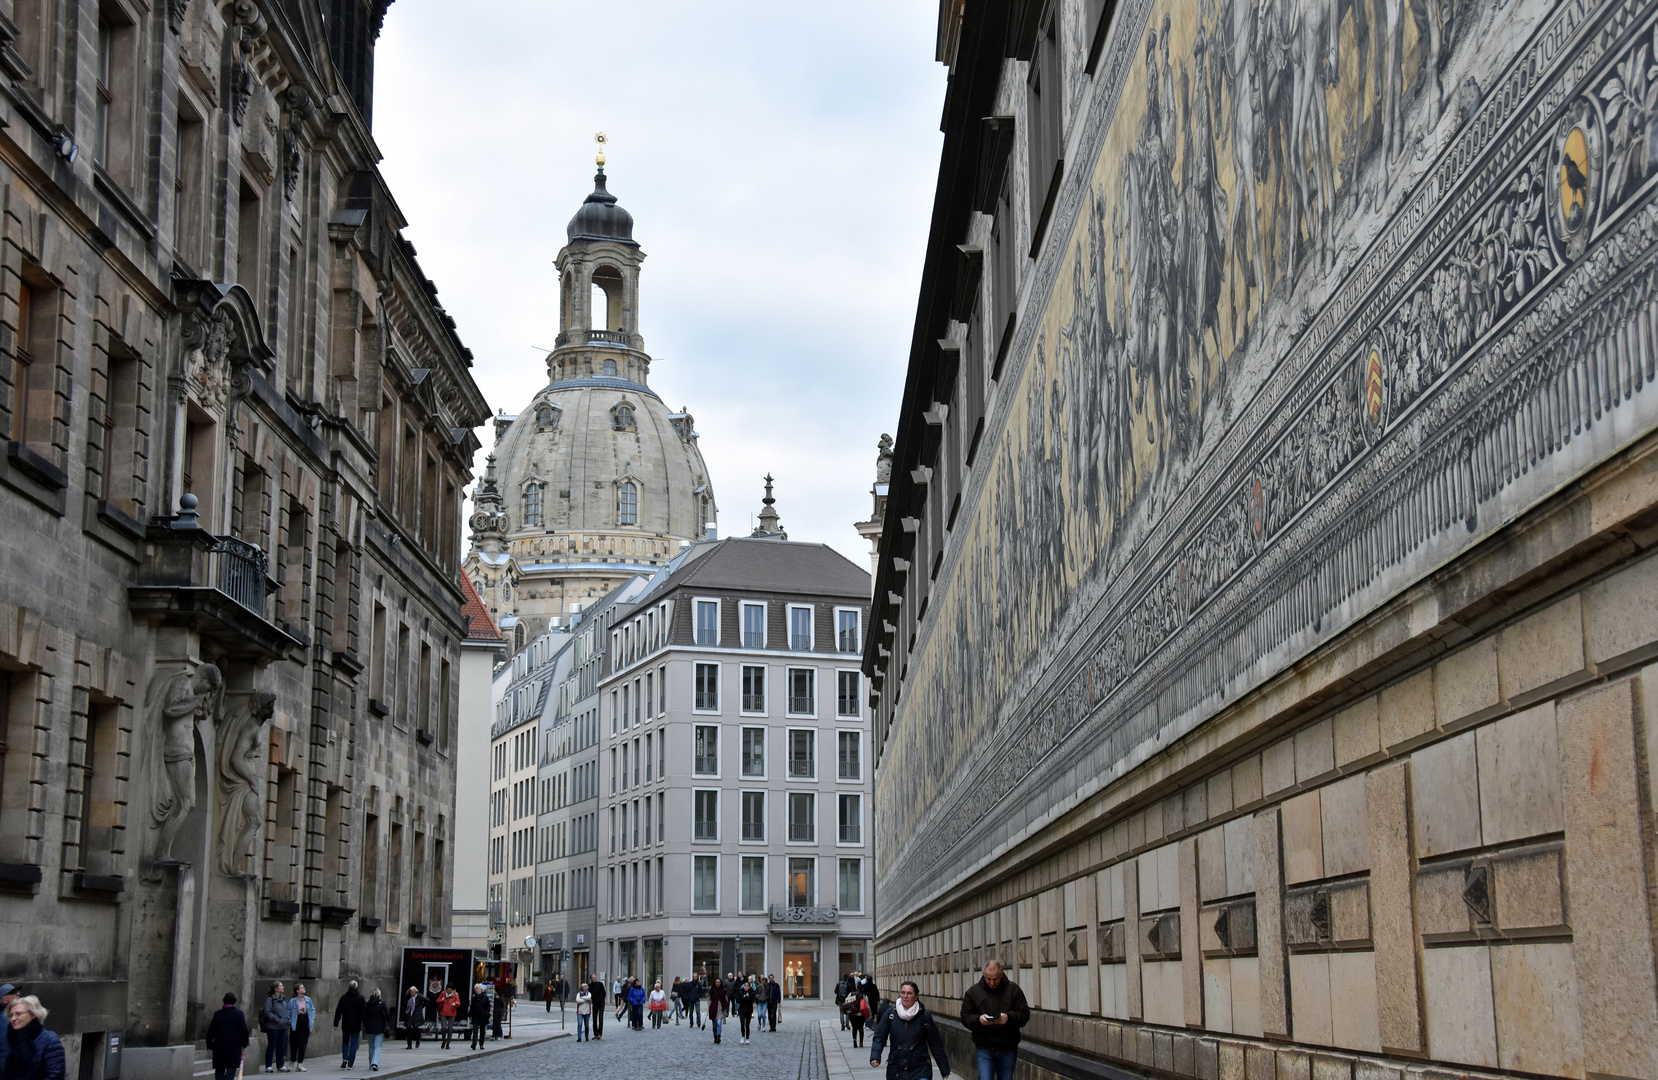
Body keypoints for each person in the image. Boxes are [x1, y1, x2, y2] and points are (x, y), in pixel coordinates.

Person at [959, 961, 1030, 1080]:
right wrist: (978, 1020)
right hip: (984, 1046)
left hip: (1008, 1046)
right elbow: (965, 1017)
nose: (992, 983)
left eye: (995, 979)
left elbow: (1024, 1014)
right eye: (988, 979)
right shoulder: (973, 992)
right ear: (983, 974)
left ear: (1002, 974)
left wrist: (1008, 1018)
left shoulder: (1013, 990)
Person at [870, 981, 950, 1080]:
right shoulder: (891, 1014)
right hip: (896, 1069)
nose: (905, 996)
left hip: (920, 1068)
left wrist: (944, 1068)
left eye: (909, 993)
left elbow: (935, 1043)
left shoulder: (924, 1016)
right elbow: (879, 1036)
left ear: (916, 996)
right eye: (903, 993)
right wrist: (875, 1056)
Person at [203, 993, 249, 1080]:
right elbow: (244, 1030)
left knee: (219, 1068)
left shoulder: (217, 1014)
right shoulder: (239, 1014)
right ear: (234, 1002)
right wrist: (244, 1044)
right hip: (234, 1045)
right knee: (231, 1068)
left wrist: (210, 1044)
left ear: (224, 1002)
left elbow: (211, 1031)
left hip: (219, 1045)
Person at [332, 981, 365, 1070]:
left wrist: (336, 1023)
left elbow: (338, 1011)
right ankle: (350, 1063)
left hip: (346, 1023)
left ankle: (345, 1058)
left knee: (345, 1042)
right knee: (354, 1044)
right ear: (356, 987)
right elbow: (364, 1012)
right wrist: (364, 1022)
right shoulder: (361, 998)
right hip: (356, 1024)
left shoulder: (344, 998)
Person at [258, 981, 288, 1073]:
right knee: (271, 1045)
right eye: (281, 986)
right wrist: (276, 1019)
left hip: (283, 1026)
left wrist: (287, 1018)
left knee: (281, 1045)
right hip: (273, 1026)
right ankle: (269, 1065)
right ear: (276, 989)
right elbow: (267, 1012)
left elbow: (287, 1009)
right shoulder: (270, 999)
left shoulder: (283, 998)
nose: (283, 987)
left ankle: (280, 1064)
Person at [287, 984, 315, 1071]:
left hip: (305, 1021)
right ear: (297, 991)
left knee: (303, 1044)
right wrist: (290, 1022)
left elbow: (312, 1010)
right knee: (294, 1044)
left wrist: (312, 1021)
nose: (304, 988)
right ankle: (292, 1060)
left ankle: (300, 1063)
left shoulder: (308, 999)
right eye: (301, 988)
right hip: (296, 1022)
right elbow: (288, 1012)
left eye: (303, 987)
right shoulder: (292, 1001)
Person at [360, 989, 389, 1072]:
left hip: (369, 1028)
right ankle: (375, 1063)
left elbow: (363, 1017)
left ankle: (371, 1064)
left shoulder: (367, 1005)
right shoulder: (382, 1004)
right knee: (378, 1046)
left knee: (371, 1046)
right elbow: (387, 1015)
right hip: (380, 1028)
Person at [843, 985, 871, 1049]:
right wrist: (869, 1015)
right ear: (862, 989)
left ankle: (854, 1040)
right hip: (860, 1014)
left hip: (852, 1014)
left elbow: (846, 1003)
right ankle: (861, 1043)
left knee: (854, 1028)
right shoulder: (864, 995)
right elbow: (867, 1006)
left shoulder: (851, 994)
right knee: (861, 1028)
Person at [435, 985, 460, 1051]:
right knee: (443, 1028)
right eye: (448, 988)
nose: (449, 990)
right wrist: (441, 1000)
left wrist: (455, 1003)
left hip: (452, 1013)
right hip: (443, 1013)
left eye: (450, 988)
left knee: (450, 1028)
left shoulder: (455, 994)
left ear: (452, 989)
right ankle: (444, 1040)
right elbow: (437, 1001)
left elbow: (458, 1002)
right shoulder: (443, 993)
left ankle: (448, 1043)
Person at [467, 985, 490, 1050]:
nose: (476, 989)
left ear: (481, 989)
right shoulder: (474, 998)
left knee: (482, 1032)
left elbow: (488, 1007)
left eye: (477, 988)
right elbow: (472, 1007)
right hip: (476, 1016)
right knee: (475, 1031)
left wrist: (486, 1013)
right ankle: (474, 1044)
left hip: (483, 1016)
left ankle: (481, 1044)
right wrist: (469, 1015)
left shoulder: (485, 997)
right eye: (475, 988)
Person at [733, 977, 754, 1044]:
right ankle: (742, 1036)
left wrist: (746, 998)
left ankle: (747, 1038)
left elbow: (752, 1000)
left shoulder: (752, 992)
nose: (746, 986)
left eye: (747, 985)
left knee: (747, 1025)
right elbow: (738, 1000)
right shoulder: (741, 991)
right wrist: (743, 998)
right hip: (741, 1010)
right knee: (742, 1024)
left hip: (749, 1010)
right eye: (745, 985)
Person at [706, 975, 726, 1045]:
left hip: (720, 1009)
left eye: (719, 982)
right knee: (714, 1025)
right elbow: (709, 999)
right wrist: (710, 1006)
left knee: (719, 1023)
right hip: (713, 1009)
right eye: (716, 982)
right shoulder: (712, 990)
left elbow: (725, 999)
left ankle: (719, 1035)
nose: (717, 983)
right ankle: (715, 1036)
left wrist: (724, 1006)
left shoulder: (723, 990)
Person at [586, 976, 606, 1040]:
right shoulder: (590, 986)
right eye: (593, 977)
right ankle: (595, 1034)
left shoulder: (600, 984)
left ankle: (600, 1034)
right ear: (591, 978)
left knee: (600, 1018)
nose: (594, 978)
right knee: (594, 1019)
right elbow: (588, 994)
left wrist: (602, 999)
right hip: (594, 1004)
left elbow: (604, 993)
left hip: (601, 1003)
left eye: (595, 977)